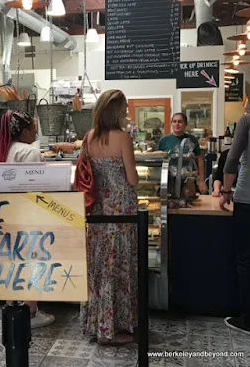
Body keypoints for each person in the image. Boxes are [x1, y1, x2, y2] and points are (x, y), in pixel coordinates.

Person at [80, 90, 139, 345]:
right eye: (124, 106)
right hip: (121, 210)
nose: (127, 110)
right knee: (120, 266)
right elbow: (133, 179)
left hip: (97, 210)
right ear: (115, 110)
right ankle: (116, 328)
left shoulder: (89, 137)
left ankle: (98, 324)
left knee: (100, 267)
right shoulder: (123, 137)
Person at [0, 110, 55, 329]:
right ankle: (30, 311)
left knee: (12, 262)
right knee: (33, 261)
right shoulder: (29, 152)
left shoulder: (3, 150)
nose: (36, 136)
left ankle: (12, 305)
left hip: (7, 216)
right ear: (26, 131)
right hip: (28, 215)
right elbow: (37, 187)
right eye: (35, 132)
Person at [220, 113, 250, 335]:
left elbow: (232, 159)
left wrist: (225, 192)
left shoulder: (248, 121)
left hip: (249, 199)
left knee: (247, 261)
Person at [158, 112, 207, 194]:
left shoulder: (192, 140)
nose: (177, 124)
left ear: (185, 124)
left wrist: (201, 181)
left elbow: (200, 161)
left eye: (180, 122)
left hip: (188, 182)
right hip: (169, 181)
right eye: (174, 121)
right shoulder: (164, 140)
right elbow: (159, 161)